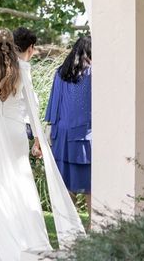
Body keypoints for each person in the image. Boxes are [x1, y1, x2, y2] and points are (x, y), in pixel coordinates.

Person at [0, 28, 84, 260]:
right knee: (18, 184)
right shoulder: (23, 69)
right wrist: (38, 138)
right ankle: (22, 238)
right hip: (15, 133)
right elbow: (31, 108)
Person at [44, 36, 92, 215]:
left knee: (65, 183)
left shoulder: (60, 72)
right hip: (84, 137)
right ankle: (93, 225)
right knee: (89, 184)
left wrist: (49, 129)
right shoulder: (92, 73)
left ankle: (69, 227)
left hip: (60, 136)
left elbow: (53, 105)